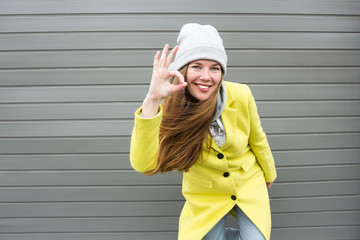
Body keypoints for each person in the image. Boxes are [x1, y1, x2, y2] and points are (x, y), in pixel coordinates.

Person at [130, 23, 277, 240]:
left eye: (214, 68)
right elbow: (144, 164)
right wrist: (152, 100)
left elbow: (258, 139)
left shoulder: (242, 94)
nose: (206, 77)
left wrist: (269, 173)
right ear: (183, 70)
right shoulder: (170, 105)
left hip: (247, 183)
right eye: (197, 66)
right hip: (205, 193)